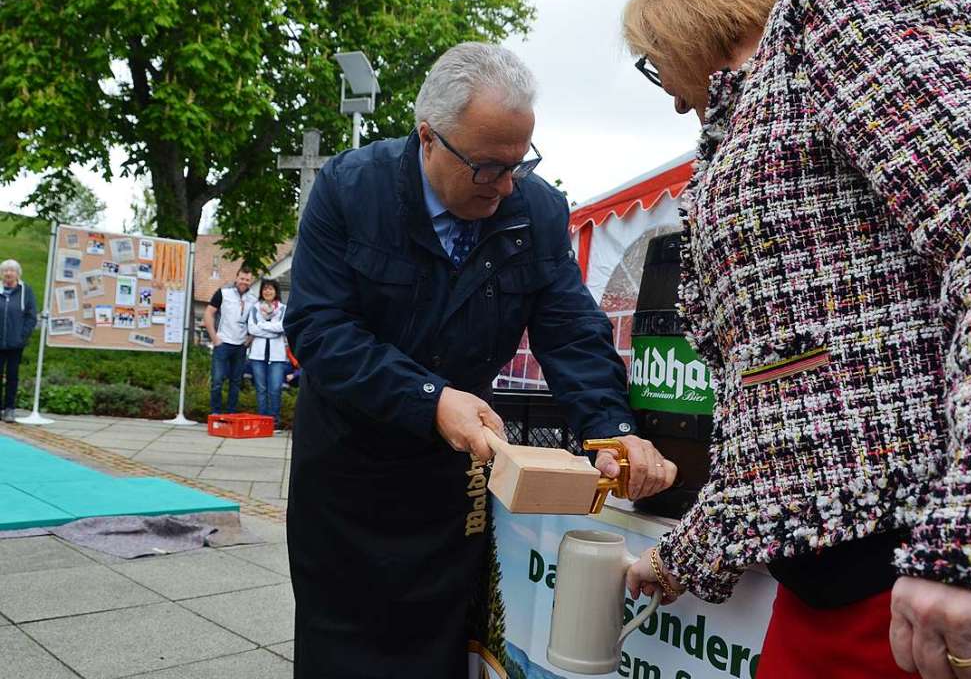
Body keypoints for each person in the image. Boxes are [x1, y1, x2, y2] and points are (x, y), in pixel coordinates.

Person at [620, 0, 971, 679]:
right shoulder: (746, 115)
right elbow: (784, 400)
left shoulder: (833, 13)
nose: (673, 101)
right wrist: (678, 559)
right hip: (814, 607)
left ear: (680, 18)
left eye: (653, 62)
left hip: (925, 597)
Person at [283, 41, 677, 678]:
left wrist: (611, 428)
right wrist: (431, 399)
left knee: (438, 649)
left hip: (454, 478)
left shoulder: (537, 211)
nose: (503, 186)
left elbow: (571, 331)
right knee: (342, 651)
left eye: (518, 165)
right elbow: (320, 329)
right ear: (429, 138)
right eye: (486, 167)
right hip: (348, 476)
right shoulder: (351, 190)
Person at [202, 265, 256, 415]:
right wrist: (214, 337)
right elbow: (208, 313)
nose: (244, 282)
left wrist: (250, 339)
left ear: (250, 281)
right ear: (236, 278)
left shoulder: (253, 299)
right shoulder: (223, 293)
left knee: (236, 382)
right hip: (223, 342)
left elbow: (256, 321)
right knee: (217, 381)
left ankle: (231, 413)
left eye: (247, 279)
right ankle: (216, 413)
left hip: (241, 345)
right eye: (242, 278)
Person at [247, 278, 289, 430]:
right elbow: (252, 329)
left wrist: (263, 326)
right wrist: (272, 330)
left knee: (275, 388)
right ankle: (262, 421)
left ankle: (274, 421)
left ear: (276, 291)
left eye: (271, 289)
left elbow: (283, 327)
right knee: (261, 388)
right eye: (265, 289)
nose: (267, 291)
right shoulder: (255, 308)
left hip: (277, 356)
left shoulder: (283, 309)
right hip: (257, 355)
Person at [0, 259, 36, 423]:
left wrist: (22, 336)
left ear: (17, 273)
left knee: (13, 375)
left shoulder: (25, 291)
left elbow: (31, 316)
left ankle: (9, 409)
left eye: (12, 270)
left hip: (16, 343)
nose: (8, 273)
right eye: (5, 270)